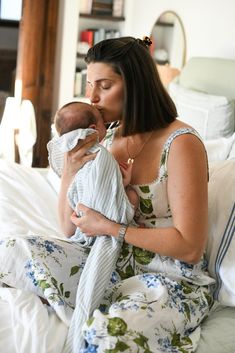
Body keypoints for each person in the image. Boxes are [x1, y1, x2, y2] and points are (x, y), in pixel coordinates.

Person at [62, 37, 215, 353]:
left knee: (110, 336)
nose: (91, 98)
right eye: (89, 84)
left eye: (103, 86)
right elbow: (68, 228)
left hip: (168, 278)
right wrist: (69, 170)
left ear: (134, 85)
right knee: (10, 251)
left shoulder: (181, 144)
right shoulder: (104, 139)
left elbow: (189, 246)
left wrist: (109, 228)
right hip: (105, 265)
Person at [48, 101, 139, 224]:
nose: (93, 98)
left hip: (86, 218)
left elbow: (96, 186)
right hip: (95, 219)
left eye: (105, 86)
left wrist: (119, 182)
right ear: (93, 129)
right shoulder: (98, 154)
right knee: (132, 196)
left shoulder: (70, 151)